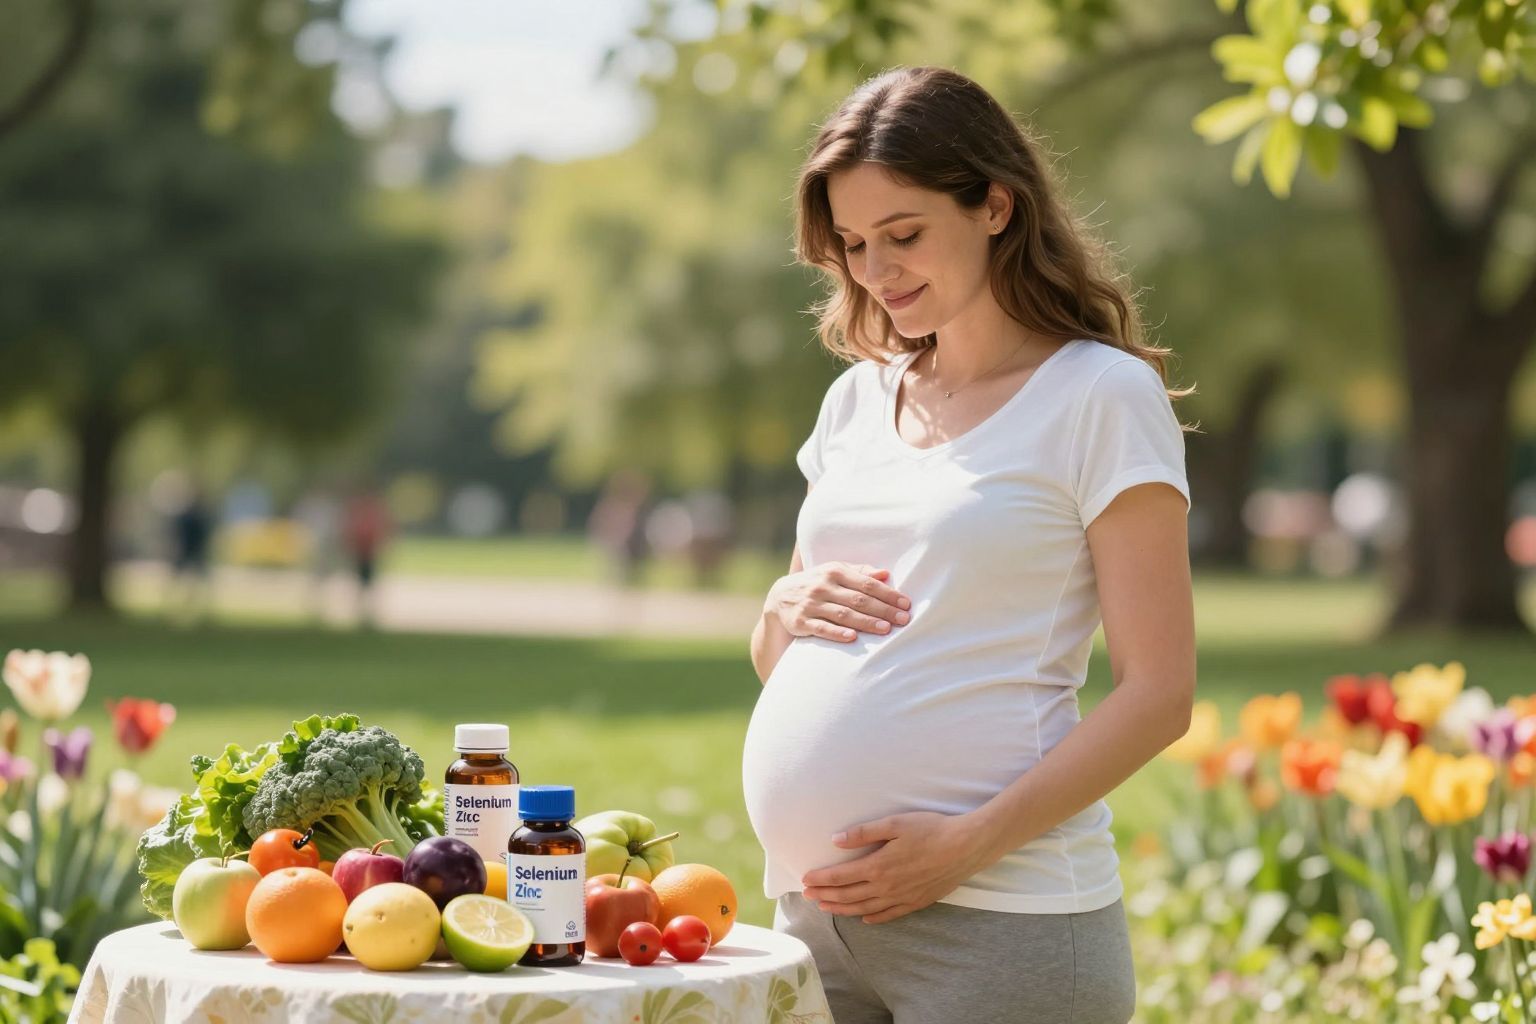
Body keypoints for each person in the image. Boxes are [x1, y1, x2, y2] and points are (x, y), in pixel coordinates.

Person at [743, 66, 1196, 1024]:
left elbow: (1160, 695)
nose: (876, 271)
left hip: (1003, 922)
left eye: (903, 235)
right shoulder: (855, 400)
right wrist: (776, 611)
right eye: (855, 244)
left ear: (996, 205)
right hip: (812, 920)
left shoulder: (1098, 395)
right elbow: (784, 658)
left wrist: (968, 845)